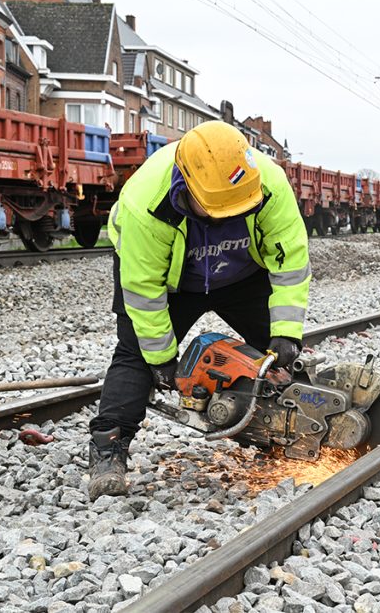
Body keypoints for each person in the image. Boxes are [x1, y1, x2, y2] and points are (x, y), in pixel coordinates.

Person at [87, 121, 311, 501]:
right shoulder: (146, 202)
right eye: (216, 210)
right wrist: (161, 358)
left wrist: (287, 332)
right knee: (135, 356)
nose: (225, 218)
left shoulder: (269, 183)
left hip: (241, 273)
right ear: (187, 186)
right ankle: (109, 450)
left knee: (275, 359)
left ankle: (289, 432)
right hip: (172, 282)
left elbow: (289, 259)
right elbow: (143, 289)